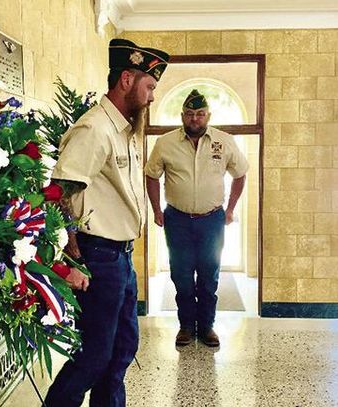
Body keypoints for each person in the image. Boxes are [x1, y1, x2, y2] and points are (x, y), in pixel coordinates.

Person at [44, 39, 169, 407]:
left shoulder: (125, 131)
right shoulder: (95, 129)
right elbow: (60, 192)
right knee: (94, 357)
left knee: (122, 349)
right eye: (149, 87)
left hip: (120, 258)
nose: (151, 97)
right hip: (97, 257)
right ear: (127, 79)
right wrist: (71, 253)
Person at [145, 89, 248, 347]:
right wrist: (157, 210)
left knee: (208, 276)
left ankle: (207, 327)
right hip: (177, 220)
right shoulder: (165, 143)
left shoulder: (224, 141)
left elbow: (240, 173)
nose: (195, 119)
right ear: (182, 116)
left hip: (212, 221)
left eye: (200, 114)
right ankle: (186, 327)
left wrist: (230, 209)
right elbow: (151, 175)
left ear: (208, 116)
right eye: (190, 114)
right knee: (181, 276)